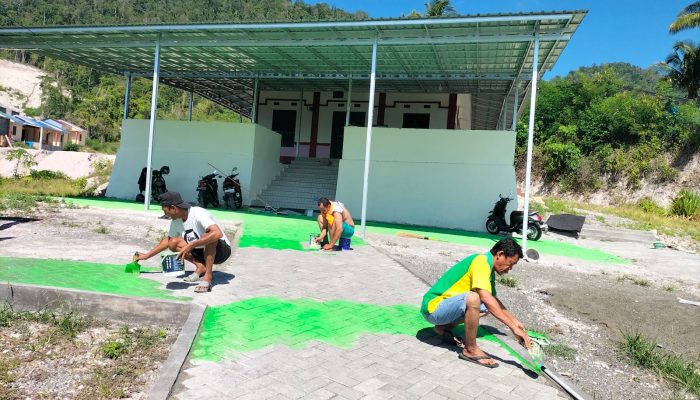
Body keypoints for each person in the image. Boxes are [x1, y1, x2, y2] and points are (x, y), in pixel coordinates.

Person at [420, 238, 531, 368]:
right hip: (433, 308)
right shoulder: (481, 261)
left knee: (485, 307)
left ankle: (443, 327)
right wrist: (512, 327)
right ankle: (470, 349)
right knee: (474, 298)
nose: (510, 268)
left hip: (443, 310)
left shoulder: (489, 269)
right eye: (510, 263)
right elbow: (485, 297)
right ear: (500, 255)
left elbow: (493, 299)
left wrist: (516, 322)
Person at [135, 191, 231, 293]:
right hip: (200, 251)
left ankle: (208, 276)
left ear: (173, 208)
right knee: (173, 242)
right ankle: (200, 266)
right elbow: (167, 241)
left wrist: (192, 244)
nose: (165, 214)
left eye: (165, 210)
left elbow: (217, 233)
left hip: (221, 252)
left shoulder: (197, 213)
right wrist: (146, 256)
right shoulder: (176, 221)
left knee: (209, 236)